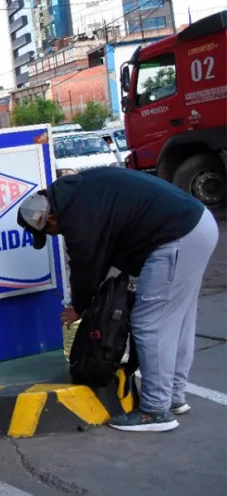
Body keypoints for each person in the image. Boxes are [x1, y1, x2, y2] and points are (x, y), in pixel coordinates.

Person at [17, 167, 218, 432]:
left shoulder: (78, 216)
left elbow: (86, 263)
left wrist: (78, 306)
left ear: (51, 219)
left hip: (176, 238)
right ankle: (173, 397)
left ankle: (155, 412)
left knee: (150, 324)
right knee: (177, 321)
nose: (58, 234)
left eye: (51, 232)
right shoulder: (75, 192)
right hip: (197, 225)